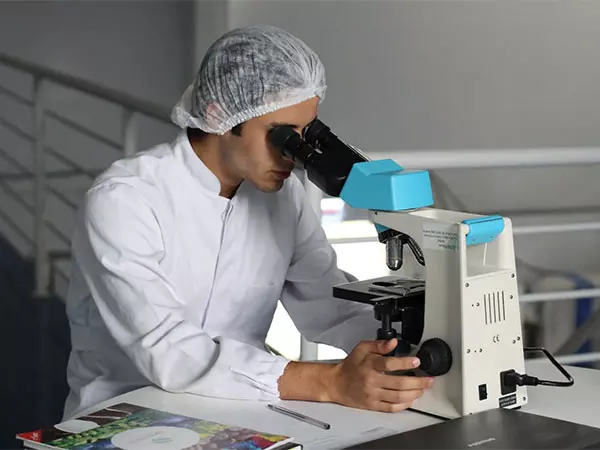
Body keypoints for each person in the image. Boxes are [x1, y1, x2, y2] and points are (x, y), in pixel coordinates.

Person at [62, 25, 433, 420]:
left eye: (306, 135)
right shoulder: (125, 199)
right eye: (282, 137)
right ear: (218, 115)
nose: (294, 155)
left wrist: (405, 351)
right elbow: (167, 350)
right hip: (125, 414)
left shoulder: (283, 198)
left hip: (238, 410)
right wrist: (330, 382)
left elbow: (330, 307)